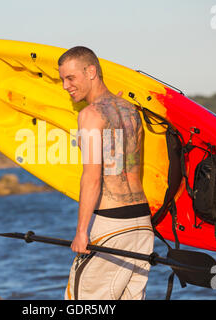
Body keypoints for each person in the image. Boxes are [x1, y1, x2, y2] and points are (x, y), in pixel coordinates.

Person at [58, 46, 155, 300]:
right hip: (142, 226)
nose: (65, 86)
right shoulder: (130, 111)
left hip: (112, 226)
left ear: (91, 71)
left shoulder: (90, 115)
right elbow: (121, 160)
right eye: (62, 80)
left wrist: (81, 231)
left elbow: (91, 178)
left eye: (70, 78)